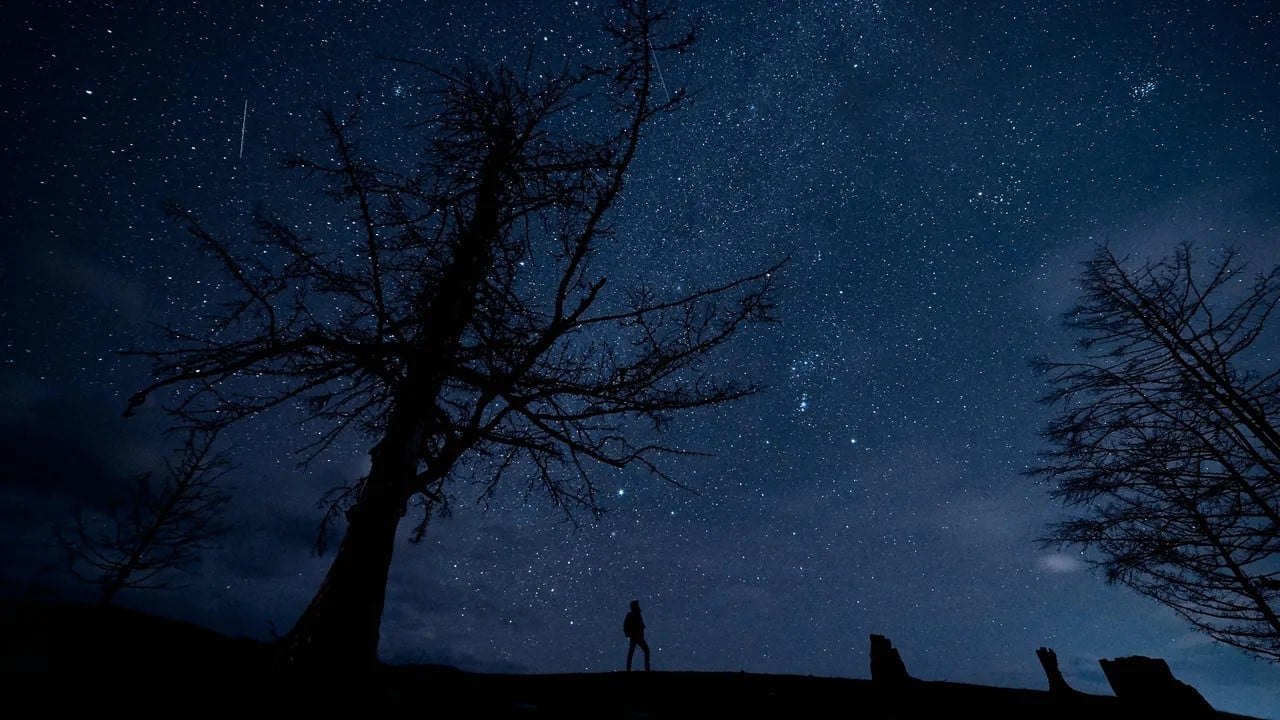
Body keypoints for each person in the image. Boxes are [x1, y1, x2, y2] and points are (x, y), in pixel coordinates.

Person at [623, 599, 650, 671]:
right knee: (644, 651)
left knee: (632, 652)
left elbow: (626, 625)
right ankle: (646, 669)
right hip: (636, 636)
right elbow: (626, 625)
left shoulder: (635, 614)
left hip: (636, 636)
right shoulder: (633, 615)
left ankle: (629, 669)